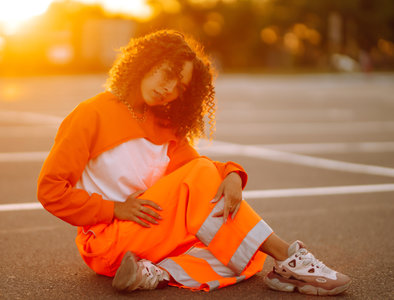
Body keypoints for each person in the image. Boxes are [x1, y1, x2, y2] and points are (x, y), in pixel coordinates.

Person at [37, 30, 351, 296]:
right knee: (229, 225)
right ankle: (287, 257)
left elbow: (195, 168)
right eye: (167, 73)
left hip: (146, 233)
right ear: (147, 61)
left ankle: (153, 273)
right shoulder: (91, 114)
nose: (168, 90)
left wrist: (230, 174)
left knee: (245, 254)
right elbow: (50, 190)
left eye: (179, 88)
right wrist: (114, 209)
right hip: (106, 242)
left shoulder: (163, 124)